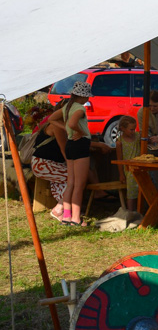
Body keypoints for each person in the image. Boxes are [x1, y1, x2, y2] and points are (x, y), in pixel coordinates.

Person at [49, 81, 94, 226]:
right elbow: (73, 124)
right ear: (83, 97)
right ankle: (75, 218)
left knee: (71, 183)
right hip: (80, 145)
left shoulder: (67, 106)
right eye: (87, 97)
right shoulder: (80, 108)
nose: (88, 99)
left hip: (70, 144)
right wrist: (79, 132)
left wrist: (67, 130)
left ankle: (66, 216)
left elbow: (51, 119)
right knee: (79, 185)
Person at [115, 115, 140, 212]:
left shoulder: (138, 137)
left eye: (134, 129)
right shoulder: (120, 142)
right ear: (123, 129)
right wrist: (121, 174)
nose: (133, 132)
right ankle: (130, 211)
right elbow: (119, 160)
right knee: (131, 187)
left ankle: (139, 209)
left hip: (139, 166)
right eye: (131, 129)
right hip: (128, 169)